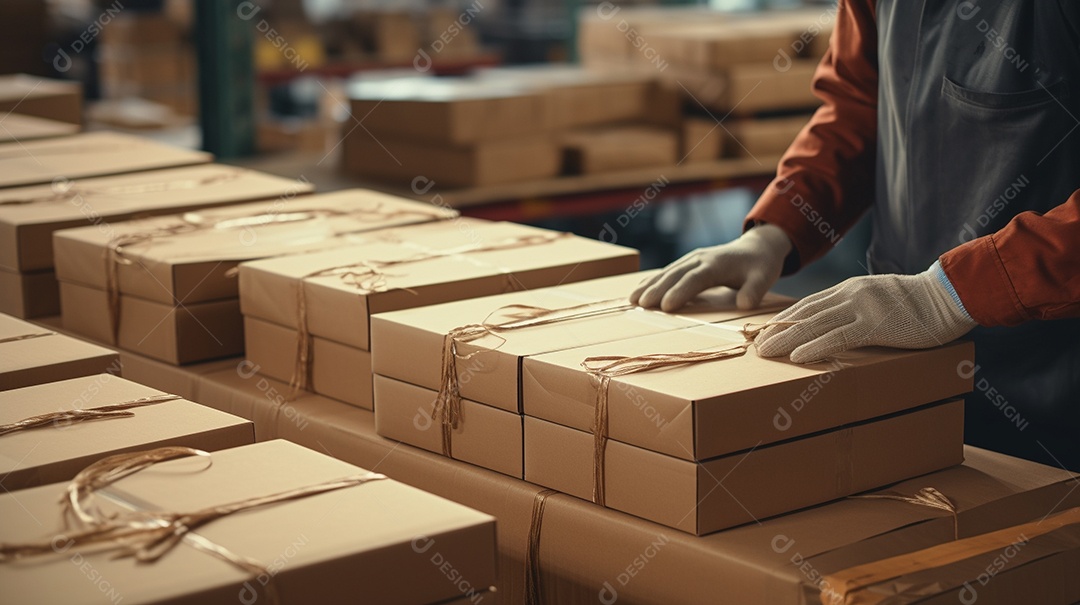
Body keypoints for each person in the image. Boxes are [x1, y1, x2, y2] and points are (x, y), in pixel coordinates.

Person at [632, 0, 1080, 471]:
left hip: (1052, 386)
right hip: (902, 357)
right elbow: (858, 106)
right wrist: (777, 227)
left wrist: (954, 293)